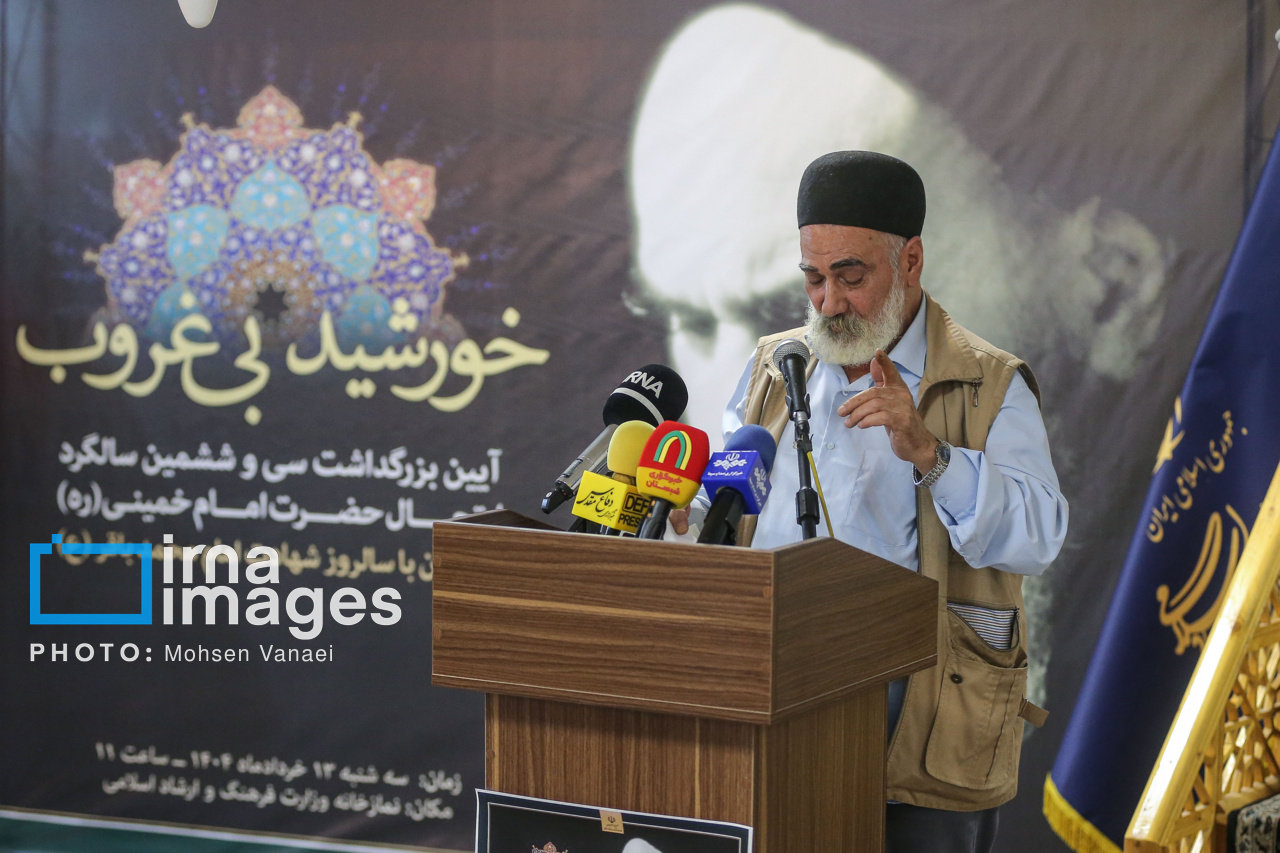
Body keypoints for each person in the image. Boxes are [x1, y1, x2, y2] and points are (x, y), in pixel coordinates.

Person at [672, 150, 1068, 853]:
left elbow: (1038, 536)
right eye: (813, 278)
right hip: (777, 692)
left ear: (910, 260)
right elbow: (733, 503)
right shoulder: (776, 365)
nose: (828, 302)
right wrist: (690, 521)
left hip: (921, 714)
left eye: (851, 277)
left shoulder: (987, 382)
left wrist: (931, 453)